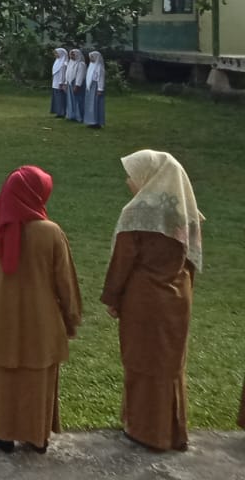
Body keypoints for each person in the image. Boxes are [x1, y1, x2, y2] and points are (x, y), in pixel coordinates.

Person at [0, 166, 82, 454]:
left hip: (1, 313)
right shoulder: (52, 233)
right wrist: (70, 318)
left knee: (1, 371)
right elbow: (65, 284)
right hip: (41, 318)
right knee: (36, 375)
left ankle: (1, 432)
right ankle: (36, 434)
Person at [101, 150, 204, 453]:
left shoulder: (138, 215)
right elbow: (192, 261)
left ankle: (147, 430)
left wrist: (112, 297)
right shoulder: (187, 212)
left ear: (151, 177)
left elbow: (123, 261)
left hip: (144, 299)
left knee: (144, 363)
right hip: (178, 295)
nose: (128, 180)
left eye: (133, 174)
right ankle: (174, 430)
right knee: (171, 365)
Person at [83, 52, 106, 128]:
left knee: (95, 104)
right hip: (90, 86)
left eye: (92, 57)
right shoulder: (91, 65)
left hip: (96, 86)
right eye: (90, 57)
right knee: (90, 104)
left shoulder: (100, 67)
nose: (91, 59)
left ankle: (97, 122)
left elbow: (101, 79)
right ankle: (91, 121)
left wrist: (100, 89)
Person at [66, 49, 85, 122]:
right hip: (70, 83)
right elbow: (67, 73)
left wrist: (77, 85)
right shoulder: (70, 63)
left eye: (73, 54)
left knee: (78, 100)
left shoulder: (81, 64)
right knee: (70, 100)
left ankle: (79, 116)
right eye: (70, 54)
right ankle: (71, 115)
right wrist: (66, 82)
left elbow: (80, 75)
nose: (71, 56)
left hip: (76, 84)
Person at [49, 48, 67, 117]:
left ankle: (62, 112)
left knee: (61, 98)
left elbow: (63, 74)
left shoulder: (64, 64)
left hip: (60, 83)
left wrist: (61, 83)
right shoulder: (57, 61)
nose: (55, 55)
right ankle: (57, 111)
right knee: (56, 97)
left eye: (57, 53)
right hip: (55, 82)